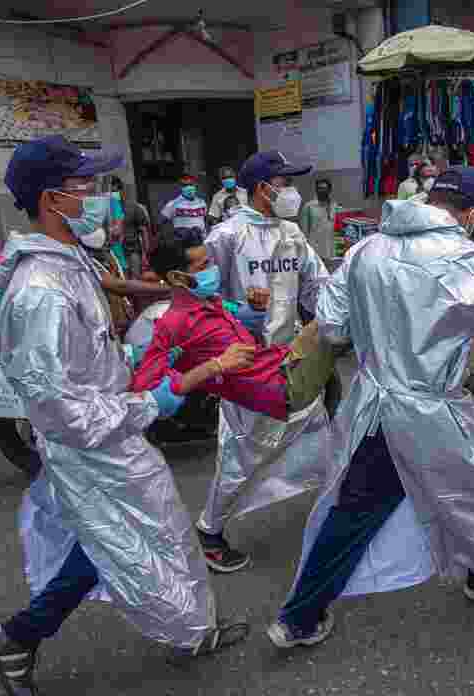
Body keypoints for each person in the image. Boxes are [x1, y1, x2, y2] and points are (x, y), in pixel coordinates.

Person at [0, 136, 247, 696]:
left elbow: (98, 299)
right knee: (124, 545)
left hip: (113, 430)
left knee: (142, 539)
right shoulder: (39, 295)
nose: (101, 198)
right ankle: (16, 638)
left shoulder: (68, 257)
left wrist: (156, 310)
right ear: (53, 199)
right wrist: (156, 399)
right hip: (93, 446)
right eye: (87, 188)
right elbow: (60, 409)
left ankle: (190, 629)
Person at [265, 167, 474, 649]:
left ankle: (299, 617)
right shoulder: (469, 260)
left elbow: (332, 325)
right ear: (471, 212)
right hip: (427, 411)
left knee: (360, 506)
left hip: (374, 405)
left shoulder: (367, 250)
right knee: (470, 495)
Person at [197, 150, 334, 573]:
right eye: (286, 183)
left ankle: (334, 505)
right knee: (242, 453)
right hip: (247, 365)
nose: (292, 191)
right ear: (263, 189)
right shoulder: (226, 237)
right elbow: (196, 298)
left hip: (291, 357)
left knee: (318, 431)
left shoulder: (292, 233)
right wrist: (236, 312)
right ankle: (210, 529)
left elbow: (318, 289)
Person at [130, 237, 340, 422]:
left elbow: (242, 323)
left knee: (333, 310)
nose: (212, 269)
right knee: (342, 306)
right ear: (177, 278)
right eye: (203, 266)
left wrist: (256, 308)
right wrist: (213, 366)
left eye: (210, 261)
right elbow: (144, 392)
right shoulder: (173, 324)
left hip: (283, 361)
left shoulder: (213, 301)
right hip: (282, 388)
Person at [160, 172, 208, 244]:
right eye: (185, 185)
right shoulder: (173, 204)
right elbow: (161, 222)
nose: (189, 187)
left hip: (201, 242)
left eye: (191, 184)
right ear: (180, 187)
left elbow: (205, 221)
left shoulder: (202, 202)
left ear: (195, 185)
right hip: (183, 243)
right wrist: (167, 238)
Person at [300, 178, 339, 260]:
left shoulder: (335, 206)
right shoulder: (309, 207)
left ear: (329, 190)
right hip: (315, 250)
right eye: (319, 188)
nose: (322, 191)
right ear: (316, 190)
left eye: (325, 188)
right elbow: (304, 231)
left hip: (330, 250)